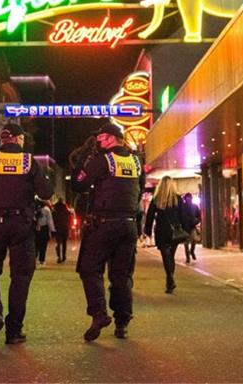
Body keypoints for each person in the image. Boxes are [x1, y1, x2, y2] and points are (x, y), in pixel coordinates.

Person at [0, 123, 53, 345]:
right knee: (21, 276)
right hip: (22, 225)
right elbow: (46, 192)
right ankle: (14, 330)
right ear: (19, 139)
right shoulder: (28, 161)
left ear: (3, 140)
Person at [71, 122, 145, 341]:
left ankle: (99, 313)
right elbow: (139, 192)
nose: (98, 142)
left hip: (104, 223)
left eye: (101, 138)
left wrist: (86, 153)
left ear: (112, 138)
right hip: (129, 224)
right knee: (121, 274)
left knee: (89, 269)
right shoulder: (135, 161)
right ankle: (122, 322)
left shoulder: (103, 160)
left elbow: (78, 184)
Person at [144, 176, 184, 293]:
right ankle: (170, 279)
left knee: (166, 256)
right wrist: (184, 229)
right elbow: (182, 215)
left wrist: (147, 230)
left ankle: (170, 279)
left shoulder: (157, 199)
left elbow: (150, 216)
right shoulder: (177, 198)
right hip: (174, 231)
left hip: (162, 231)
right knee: (171, 256)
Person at [34, 198, 55, 267]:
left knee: (37, 245)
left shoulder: (41, 209)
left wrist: (52, 229)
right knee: (41, 246)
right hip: (42, 228)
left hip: (38, 229)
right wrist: (52, 230)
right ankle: (40, 260)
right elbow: (49, 220)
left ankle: (38, 260)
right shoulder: (45, 209)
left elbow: (49, 220)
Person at [182, 192, 202, 261]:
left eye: (190, 198)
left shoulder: (195, 206)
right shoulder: (183, 207)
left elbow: (199, 215)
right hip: (185, 227)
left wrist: (197, 221)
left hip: (192, 226)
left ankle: (192, 251)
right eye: (187, 198)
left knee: (194, 239)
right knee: (186, 243)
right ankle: (187, 257)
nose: (189, 200)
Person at [51, 197, 71, 263]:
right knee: (64, 243)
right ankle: (64, 256)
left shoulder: (54, 211)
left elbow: (52, 220)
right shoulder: (66, 211)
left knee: (58, 243)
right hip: (65, 228)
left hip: (57, 228)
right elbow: (69, 219)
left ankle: (58, 257)